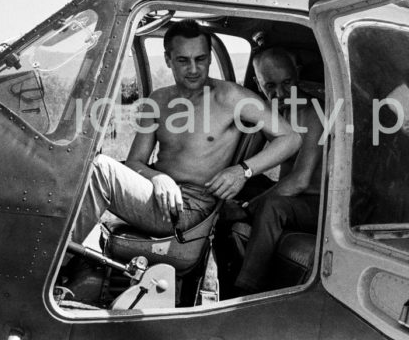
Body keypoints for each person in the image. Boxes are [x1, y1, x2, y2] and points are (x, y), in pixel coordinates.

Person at [72, 20, 301, 243]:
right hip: (158, 195)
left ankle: (53, 268)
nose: (193, 69)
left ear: (210, 57)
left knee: (101, 170)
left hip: (192, 207)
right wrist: (158, 178)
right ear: (168, 60)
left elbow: (290, 138)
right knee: (85, 169)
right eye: (183, 60)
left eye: (200, 59)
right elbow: (135, 162)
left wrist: (243, 172)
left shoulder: (231, 97)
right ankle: (68, 261)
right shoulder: (158, 100)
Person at [233, 47, 324, 294]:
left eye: (287, 83)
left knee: (271, 206)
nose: (280, 93)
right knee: (245, 185)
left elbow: (300, 181)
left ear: (297, 74)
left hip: (320, 204)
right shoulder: (272, 111)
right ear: (257, 84)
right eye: (270, 86)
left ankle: (244, 290)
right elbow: (246, 161)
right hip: (296, 200)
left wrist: (249, 207)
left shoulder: (313, 113)